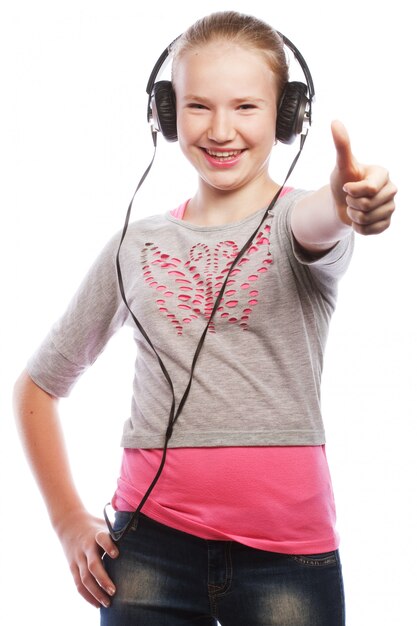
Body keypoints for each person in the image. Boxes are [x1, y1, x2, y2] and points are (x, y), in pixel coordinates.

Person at [13, 10, 397, 626]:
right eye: (198, 106)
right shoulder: (133, 246)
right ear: (167, 114)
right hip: (144, 553)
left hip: (286, 560)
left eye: (246, 107)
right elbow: (37, 385)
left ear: (287, 115)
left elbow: (324, 218)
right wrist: (65, 521)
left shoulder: (295, 225)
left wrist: (354, 199)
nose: (221, 129)